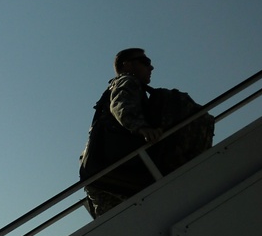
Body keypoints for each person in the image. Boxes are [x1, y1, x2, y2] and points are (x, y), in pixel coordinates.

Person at [78, 48, 213, 217]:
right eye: (145, 62)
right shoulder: (127, 81)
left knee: (117, 229)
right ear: (127, 65)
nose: (151, 67)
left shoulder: (112, 87)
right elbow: (121, 105)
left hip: (97, 175)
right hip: (116, 173)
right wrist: (142, 128)